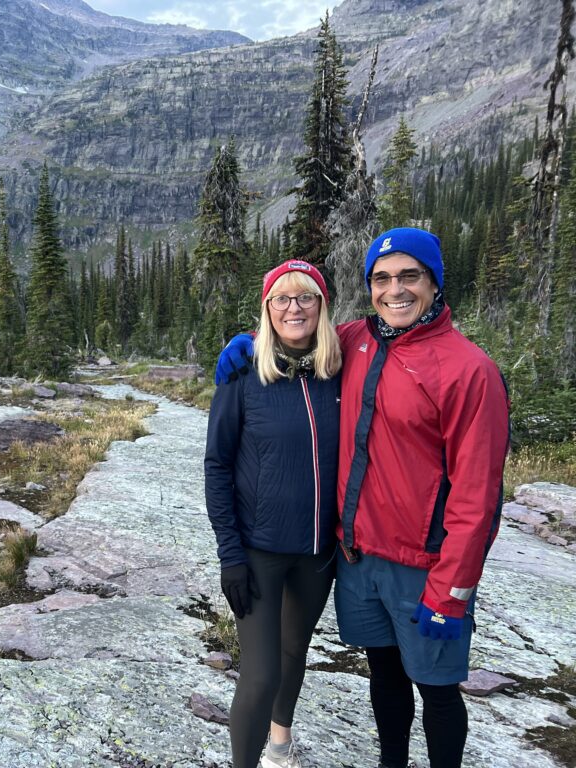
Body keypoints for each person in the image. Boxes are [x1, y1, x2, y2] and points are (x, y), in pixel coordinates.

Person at [214, 228, 510, 768]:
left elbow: (478, 497)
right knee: (386, 678)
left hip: (425, 565)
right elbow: (295, 328)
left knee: (438, 691)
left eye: (409, 276)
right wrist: (248, 343)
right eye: (382, 279)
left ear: (435, 282)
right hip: (359, 558)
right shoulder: (358, 340)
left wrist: (454, 591)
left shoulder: (470, 370)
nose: (395, 290)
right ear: (369, 287)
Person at [204, 259, 341, 768]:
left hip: (318, 553)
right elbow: (217, 465)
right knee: (260, 675)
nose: (294, 307)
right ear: (266, 308)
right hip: (257, 552)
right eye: (281, 298)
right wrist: (229, 555)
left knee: (292, 655)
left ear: (322, 305)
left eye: (306, 297)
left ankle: (280, 749)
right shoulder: (243, 372)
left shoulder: (339, 369)